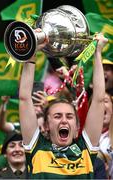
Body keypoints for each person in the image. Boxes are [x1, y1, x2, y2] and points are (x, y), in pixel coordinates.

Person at [19, 33, 107, 179]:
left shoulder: (85, 149)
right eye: (57, 116)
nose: (64, 120)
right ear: (46, 126)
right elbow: (24, 99)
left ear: (77, 127)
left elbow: (98, 100)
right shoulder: (37, 148)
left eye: (70, 116)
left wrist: (97, 52)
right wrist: (31, 53)